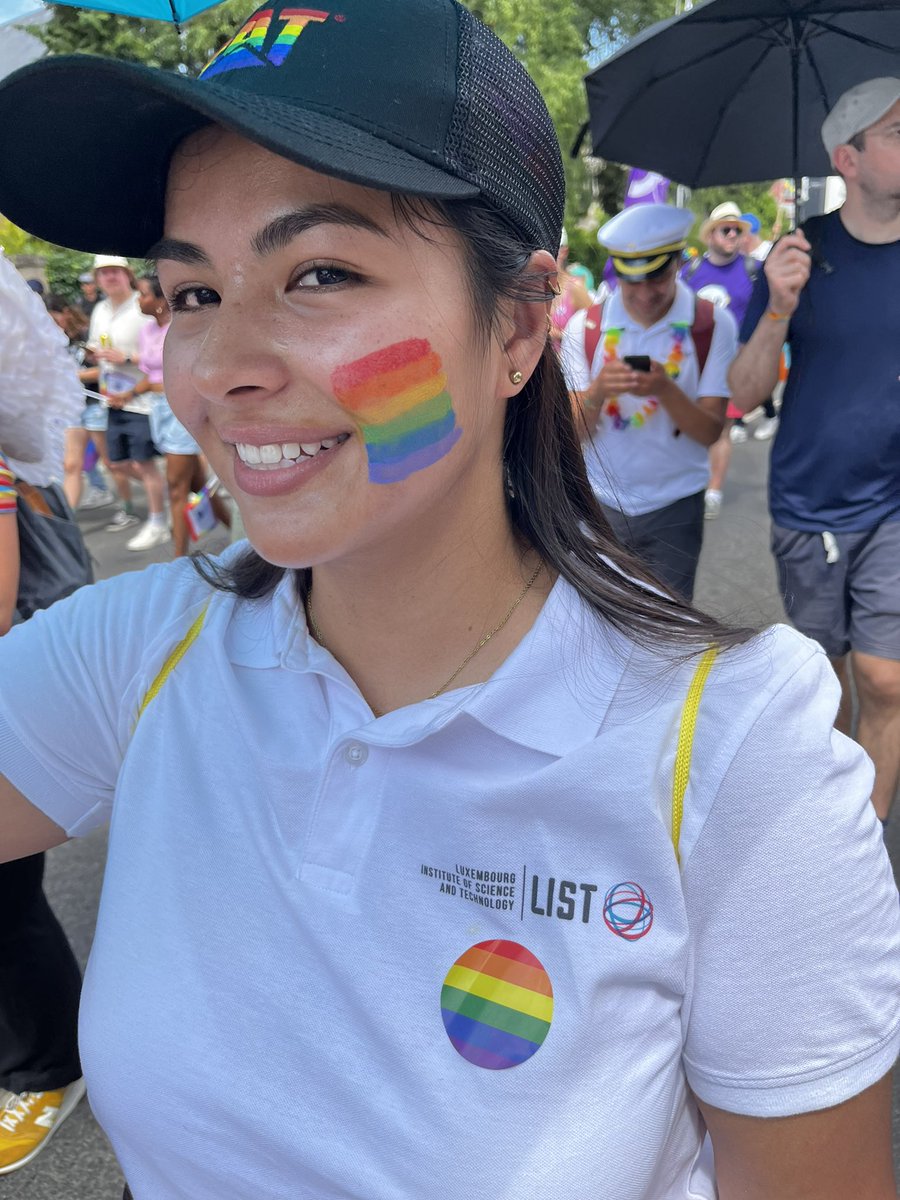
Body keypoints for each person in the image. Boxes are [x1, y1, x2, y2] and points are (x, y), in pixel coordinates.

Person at [0, 5, 898, 1197]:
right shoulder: (143, 649)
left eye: (319, 273)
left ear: (520, 326)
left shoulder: (736, 758)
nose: (219, 370)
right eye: (190, 296)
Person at [730, 76, 900, 825]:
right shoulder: (797, 255)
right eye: (896, 133)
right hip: (808, 505)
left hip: (892, 501)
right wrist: (778, 310)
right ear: (849, 157)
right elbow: (743, 390)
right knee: (827, 682)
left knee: (886, 679)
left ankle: (865, 851)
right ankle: (837, 814)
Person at [561, 204, 736, 600]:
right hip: (601, 501)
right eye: (629, 280)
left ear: (677, 262)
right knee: (604, 620)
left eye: (655, 277)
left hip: (675, 504)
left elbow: (710, 432)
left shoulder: (710, 324)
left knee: (671, 628)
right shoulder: (585, 327)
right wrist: (599, 391)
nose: (642, 294)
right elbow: (572, 435)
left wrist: (666, 390)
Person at [681, 203, 777, 521]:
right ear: (711, 235)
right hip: (691, 364)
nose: (733, 234)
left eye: (737, 230)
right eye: (726, 229)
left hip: (731, 367)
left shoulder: (754, 270)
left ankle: (713, 491)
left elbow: (766, 314)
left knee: (722, 430)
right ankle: (688, 485)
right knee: (686, 427)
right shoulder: (691, 272)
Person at [133, 274, 230, 556]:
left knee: (177, 487)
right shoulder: (146, 331)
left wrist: (148, 387)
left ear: (161, 300)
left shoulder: (181, 329)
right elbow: (147, 372)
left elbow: (186, 376)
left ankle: (178, 559)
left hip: (178, 409)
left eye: (143, 294)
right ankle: (240, 534)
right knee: (197, 483)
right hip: (156, 409)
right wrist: (130, 393)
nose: (138, 300)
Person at [85, 254, 169, 549]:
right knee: (115, 463)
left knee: (145, 464)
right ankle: (170, 493)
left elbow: (157, 355)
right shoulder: (99, 310)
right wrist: (95, 356)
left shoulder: (143, 307)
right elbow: (98, 347)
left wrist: (126, 358)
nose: (109, 277)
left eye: (115, 272)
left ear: (127, 275)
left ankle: (159, 520)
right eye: (103, 273)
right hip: (111, 398)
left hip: (142, 399)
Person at [44, 294, 114, 511]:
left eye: (53, 319)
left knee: (114, 463)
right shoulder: (43, 342)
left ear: (65, 314)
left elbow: (106, 368)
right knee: (71, 464)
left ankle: (148, 500)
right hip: (70, 411)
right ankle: (68, 521)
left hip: (95, 405)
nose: (50, 324)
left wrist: (74, 376)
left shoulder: (85, 336)